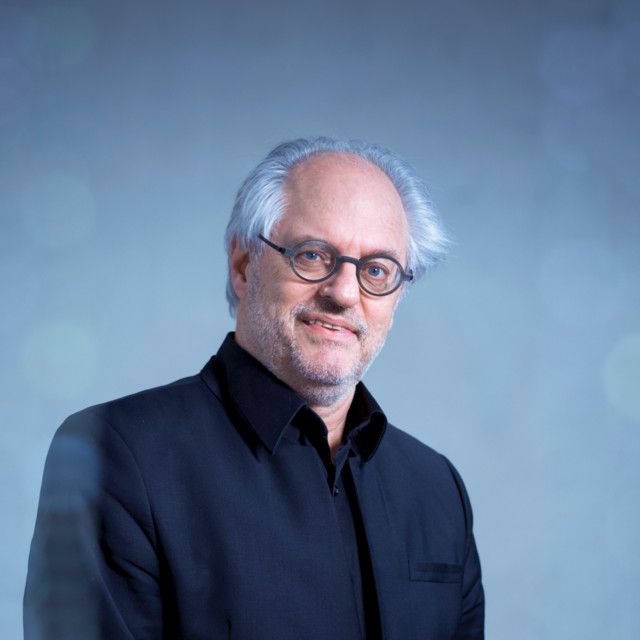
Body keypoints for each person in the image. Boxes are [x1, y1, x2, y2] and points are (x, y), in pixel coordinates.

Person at [24, 137, 485, 639]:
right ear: (244, 266)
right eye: (313, 255)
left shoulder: (437, 490)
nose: (343, 293)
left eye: (377, 270)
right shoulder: (114, 455)